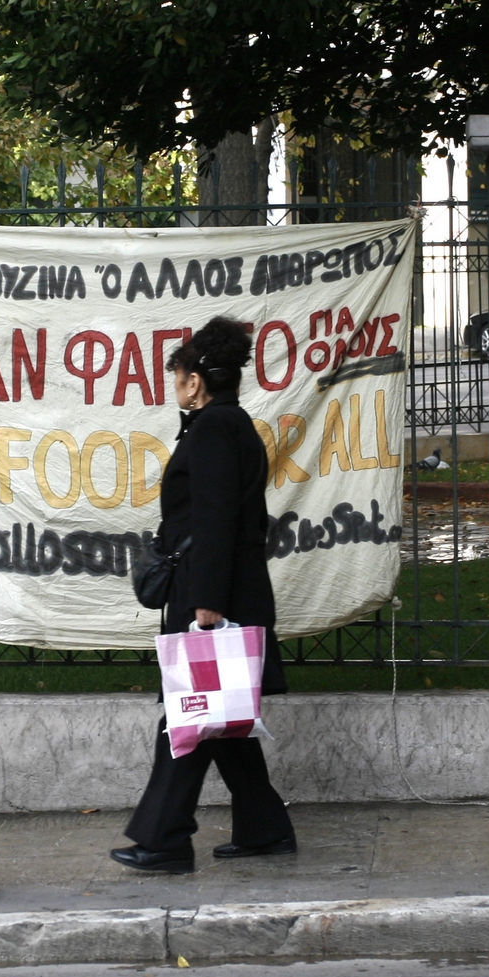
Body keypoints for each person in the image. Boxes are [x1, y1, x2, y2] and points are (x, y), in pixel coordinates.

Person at [112, 317, 296, 874]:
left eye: (176, 378)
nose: (173, 387)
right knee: (218, 714)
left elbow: (216, 521)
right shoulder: (228, 425)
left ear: (195, 382)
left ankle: (164, 838)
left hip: (212, 595)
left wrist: (207, 604)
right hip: (221, 590)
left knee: (187, 714)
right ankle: (265, 829)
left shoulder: (215, 430)